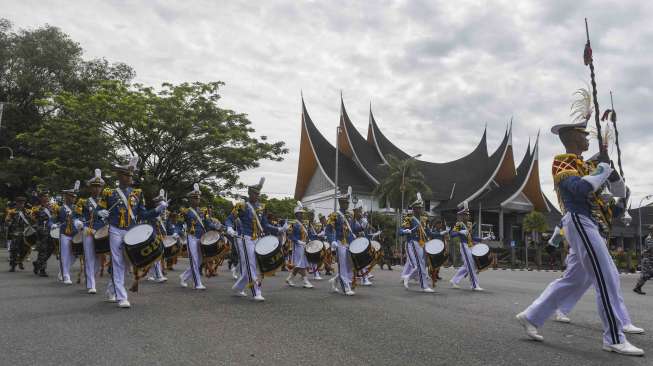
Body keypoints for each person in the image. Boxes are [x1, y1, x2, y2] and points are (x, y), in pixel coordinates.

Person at [515, 106, 644, 356]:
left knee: (574, 280)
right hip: (579, 222)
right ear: (573, 137)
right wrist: (600, 172)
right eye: (584, 136)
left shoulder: (584, 165)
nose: (587, 139)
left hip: (590, 223)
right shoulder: (562, 161)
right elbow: (577, 189)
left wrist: (620, 195)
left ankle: (532, 316)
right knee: (606, 277)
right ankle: (614, 337)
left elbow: (605, 207)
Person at [100, 157, 167, 308]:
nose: (130, 178)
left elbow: (143, 215)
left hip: (130, 231)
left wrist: (157, 210)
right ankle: (122, 297)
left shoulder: (137, 193)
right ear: (120, 176)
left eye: (131, 175)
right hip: (115, 229)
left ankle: (111, 290)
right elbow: (99, 209)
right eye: (127, 175)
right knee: (117, 263)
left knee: (125, 264)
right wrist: (101, 212)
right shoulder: (109, 193)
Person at [225, 178, 287, 302]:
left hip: (257, 239)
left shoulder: (261, 207)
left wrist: (279, 229)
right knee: (251, 265)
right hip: (244, 238)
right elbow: (229, 219)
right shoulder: (241, 205)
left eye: (258, 194)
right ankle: (256, 292)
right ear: (249, 193)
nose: (257, 196)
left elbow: (265, 225)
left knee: (252, 265)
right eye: (254, 193)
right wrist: (230, 228)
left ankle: (238, 287)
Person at [179, 184, 219, 290]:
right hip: (191, 237)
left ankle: (184, 276)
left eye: (198, 198)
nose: (197, 200)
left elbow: (208, 223)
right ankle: (197, 283)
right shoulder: (186, 211)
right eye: (195, 198)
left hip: (201, 238)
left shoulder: (203, 211)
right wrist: (177, 233)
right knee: (194, 260)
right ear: (190, 200)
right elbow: (179, 224)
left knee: (200, 260)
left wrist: (218, 227)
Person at [77, 169, 108, 294]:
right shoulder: (83, 201)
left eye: (99, 187)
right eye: (94, 187)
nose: (97, 189)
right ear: (90, 188)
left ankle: (92, 278)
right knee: (89, 257)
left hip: (102, 231)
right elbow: (77, 215)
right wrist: (78, 223)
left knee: (98, 257)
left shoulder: (105, 201)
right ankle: (91, 284)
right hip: (88, 230)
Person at [399, 193, 434, 293]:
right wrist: (405, 231)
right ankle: (424, 286)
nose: (420, 209)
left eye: (421, 208)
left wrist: (439, 234)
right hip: (412, 243)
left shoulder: (423, 220)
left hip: (421, 244)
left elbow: (428, 232)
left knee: (421, 264)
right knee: (419, 264)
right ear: (413, 208)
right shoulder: (409, 218)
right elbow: (400, 230)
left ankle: (408, 277)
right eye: (418, 208)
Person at [326, 187, 356, 296]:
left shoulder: (350, 215)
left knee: (350, 265)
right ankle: (346, 287)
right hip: (340, 243)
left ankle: (335, 280)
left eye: (347, 202)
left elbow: (353, 229)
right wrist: (332, 241)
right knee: (343, 266)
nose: (347, 204)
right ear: (340, 203)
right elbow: (328, 229)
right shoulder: (335, 215)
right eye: (345, 202)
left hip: (350, 244)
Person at [449, 203, 484, 291]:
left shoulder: (469, 225)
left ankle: (454, 280)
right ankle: (474, 285)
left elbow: (472, 237)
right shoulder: (459, 224)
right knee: (470, 265)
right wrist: (460, 232)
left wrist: (482, 239)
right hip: (464, 246)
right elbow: (452, 234)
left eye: (468, 215)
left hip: (470, 246)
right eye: (465, 215)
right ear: (462, 215)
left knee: (467, 265)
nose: (468, 216)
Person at [284, 201, 314, 288]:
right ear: (296, 214)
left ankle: (289, 279)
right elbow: (290, 236)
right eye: (300, 213)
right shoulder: (295, 224)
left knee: (299, 264)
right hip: (297, 246)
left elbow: (305, 235)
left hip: (303, 246)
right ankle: (305, 281)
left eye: (302, 213)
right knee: (301, 264)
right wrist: (299, 241)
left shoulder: (302, 224)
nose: (302, 215)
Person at [31, 187, 59, 277]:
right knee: (43, 250)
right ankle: (42, 270)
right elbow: (33, 219)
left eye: (47, 196)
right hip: (42, 232)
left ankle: (37, 263)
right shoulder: (37, 209)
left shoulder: (53, 207)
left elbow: (57, 216)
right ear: (41, 198)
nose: (46, 198)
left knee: (50, 250)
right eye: (44, 196)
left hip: (52, 231)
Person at [58, 180, 82, 285]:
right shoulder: (60, 208)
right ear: (66, 197)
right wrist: (53, 224)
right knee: (64, 255)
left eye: (74, 197)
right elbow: (53, 220)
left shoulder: (76, 208)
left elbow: (82, 217)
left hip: (75, 234)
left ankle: (63, 271)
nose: (73, 198)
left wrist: (80, 222)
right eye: (71, 196)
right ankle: (66, 275)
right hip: (64, 234)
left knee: (75, 255)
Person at [5, 196, 32, 272]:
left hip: (25, 234)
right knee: (13, 250)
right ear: (16, 203)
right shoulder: (12, 212)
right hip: (15, 234)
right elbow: (7, 220)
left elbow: (32, 220)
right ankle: (13, 265)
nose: (21, 204)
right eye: (19, 203)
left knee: (24, 250)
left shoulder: (27, 211)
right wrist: (9, 222)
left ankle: (20, 261)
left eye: (23, 203)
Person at [633, 225, 653, 295]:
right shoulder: (649, 239)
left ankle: (637, 287)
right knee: (647, 275)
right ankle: (637, 287)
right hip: (648, 259)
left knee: (647, 275)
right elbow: (651, 249)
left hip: (650, 259)